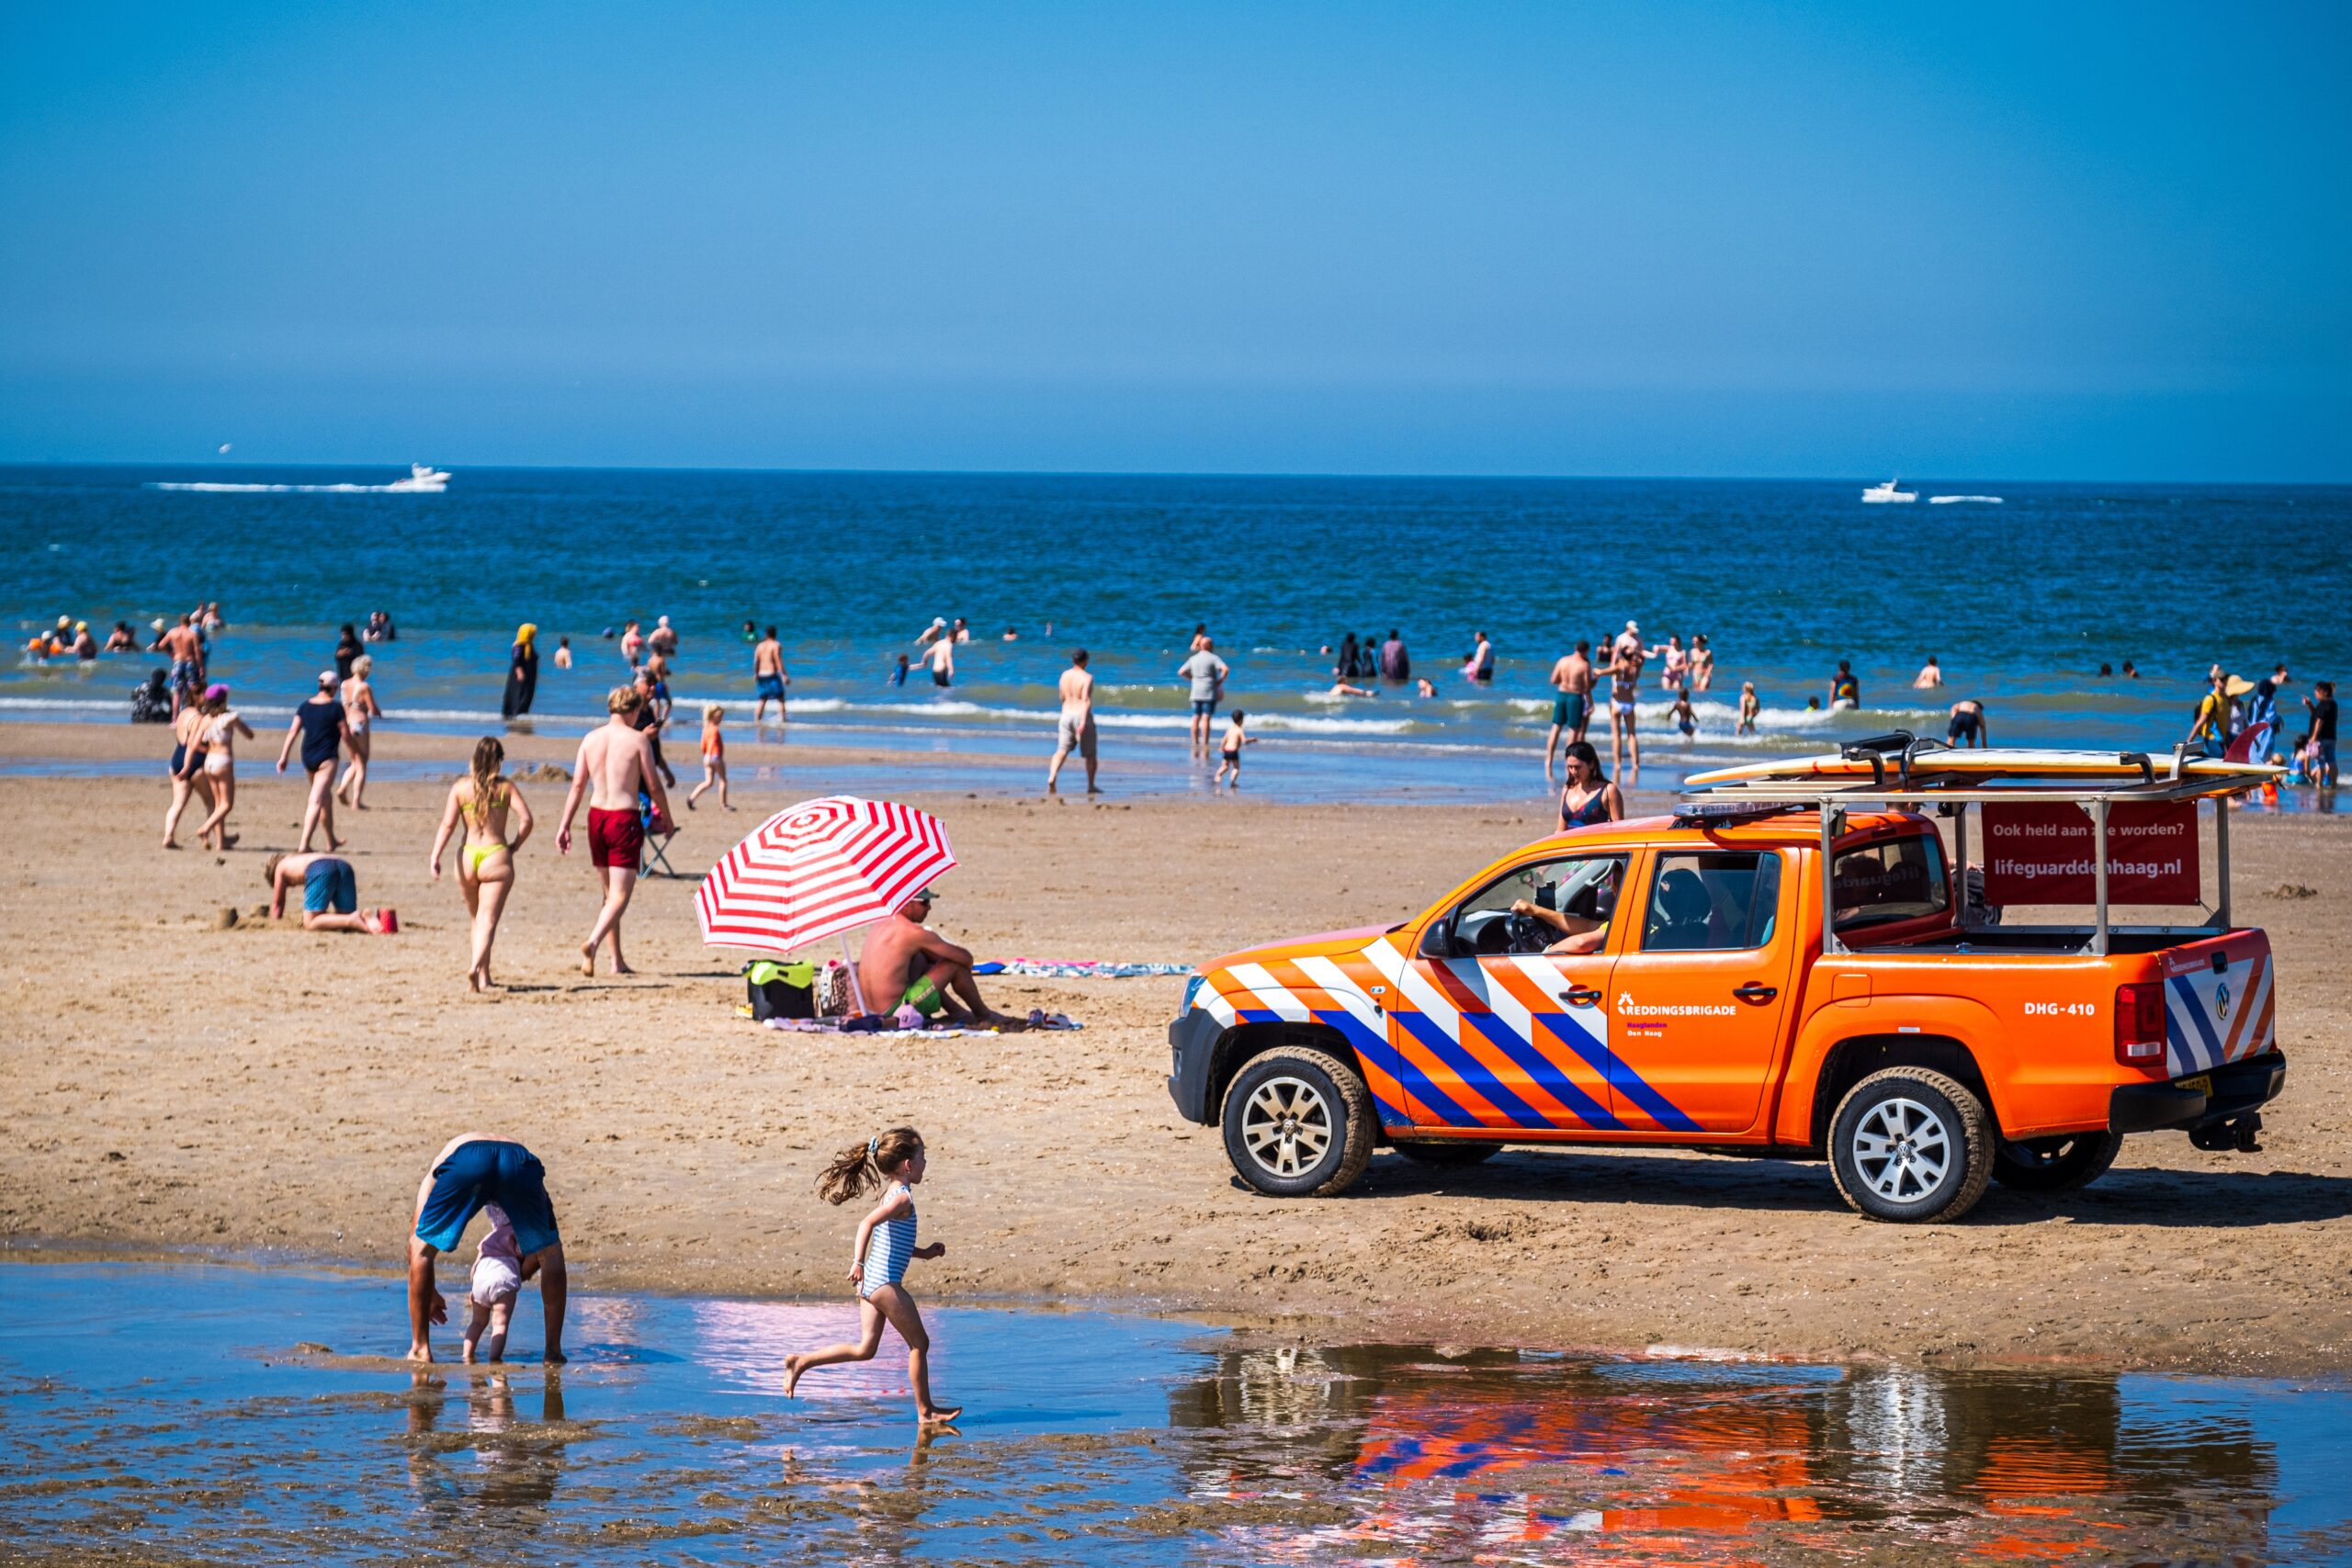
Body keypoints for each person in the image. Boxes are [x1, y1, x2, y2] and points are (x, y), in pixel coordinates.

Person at [782, 1128, 959, 1427]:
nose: (924, 1164)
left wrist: (925, 1253)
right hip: (883, 1283)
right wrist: (857, 1262)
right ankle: (925, 1412)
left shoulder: (890, 1193)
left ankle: (801, 1361)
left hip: (870, 1285)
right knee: (920, 1345)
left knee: (866, 1348)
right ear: (908, 1165)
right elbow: (866, 1223)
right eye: (922, 1158)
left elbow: (895, 1243)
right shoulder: (901, 1199)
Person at [406, 1134, 565, 1364]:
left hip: (468, 1158)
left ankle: (420, 1350)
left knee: (422, 1248)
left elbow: (416, 1240)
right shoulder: (513, 1148)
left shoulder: (442, 1160)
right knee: (551, 1253)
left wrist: (427, 1292)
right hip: (518, 1160)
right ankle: (553, 1352)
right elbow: (544, 1242)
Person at [557, 685, 672, 976]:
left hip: (597, 817)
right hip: (623, 818)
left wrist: (565, 825)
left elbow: (577, 786)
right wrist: (667, 818)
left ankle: (616, 961)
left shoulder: (591, 739)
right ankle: (592, 943)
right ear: (633, 712)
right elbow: (654, 785)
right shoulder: (637, 740)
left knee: (609, 894)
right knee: (620, 896)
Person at [430, 737, 536, 990]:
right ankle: (476, 967)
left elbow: (447, 825)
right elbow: (527, 820)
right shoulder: (506, 788)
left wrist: (435, 855)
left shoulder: (460, 788)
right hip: (495, 854)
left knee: (476, 919)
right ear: (499, 761)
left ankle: (483, 978)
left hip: (467, 856)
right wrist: (515, 846)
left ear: (474, 759)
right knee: (488, 919)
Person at [857, 888, 1020, 1027]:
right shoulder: (913, 933)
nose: (929, 908)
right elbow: (965, 959)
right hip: (896, 1011)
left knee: (920, 959)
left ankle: (958, 1012)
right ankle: (983, 1014)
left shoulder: (880, 923)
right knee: (953, 965)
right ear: (906, 904)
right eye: (924, 903)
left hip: (870, 1010)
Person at [277, 673, 351, 852]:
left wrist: (284, 756)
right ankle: (304, 844)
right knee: (317, 800)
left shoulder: (305, 706)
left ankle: (331, 840)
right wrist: (356, 753)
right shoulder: (335, 708)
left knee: (325, 798)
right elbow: (345, 733)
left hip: (308, 756)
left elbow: (293, 731)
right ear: (333, 689)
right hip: (327, 758)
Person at [187, 686, 254, 850]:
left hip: (209, 760)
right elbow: (250, 735)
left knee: (218, 805)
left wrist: (208, 750)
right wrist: (238, 723)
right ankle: (205, 829)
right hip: (223, 761)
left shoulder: (204, 720)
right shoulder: (229, 717)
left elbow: (193, 744)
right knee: (226, 805)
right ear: (223, 700)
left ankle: (220, 843)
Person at [264, 851, 394, 933]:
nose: (292, 886)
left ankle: (351, 919)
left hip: (320, 868)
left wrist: (274, 923)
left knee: (310, 922)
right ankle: (367, 920)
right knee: (342, 918)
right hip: (343, 865)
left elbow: (278, 904)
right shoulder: (300, 858)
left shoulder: (280, 868)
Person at [461, 1205, 522, 1363]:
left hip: (480, 1281)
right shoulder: (517, 1231)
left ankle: (467, 1356)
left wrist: (473, 1288)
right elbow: (521, 1251)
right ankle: (494, 1359)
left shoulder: (488, 1239)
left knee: (477, 1322)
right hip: (502, 1280)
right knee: (500, 1323)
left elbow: (474, 1268)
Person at [162, 694, 220, 849]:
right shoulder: (199, 717)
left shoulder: (183, 713)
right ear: (196, 697)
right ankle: (211, 838)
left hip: (177, 759)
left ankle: (168, 836)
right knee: (211, 803)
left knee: (177, 804)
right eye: (204, 695)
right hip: (194, 761)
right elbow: (192, 743)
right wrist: (211, 749)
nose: (207, 698)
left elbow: (184, 739)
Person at [1046, 649, 1099, 795]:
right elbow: (1086, 700)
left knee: (1062, 749)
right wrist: (1083, 721)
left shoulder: (1064, 675)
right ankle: (1091, 785)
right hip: (1080, 716)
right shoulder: (1087, 677)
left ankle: (1052, 777)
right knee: (1090, 754)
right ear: (1086, 661)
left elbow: (1062, 697)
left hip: (1065, 715)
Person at [336, 655, 384, 809]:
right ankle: (356, 801)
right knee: (362, 763)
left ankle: (343, 788)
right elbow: (372, 709)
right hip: (360, 724)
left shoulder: (344, 684)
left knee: (355, 761)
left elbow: (344, 705)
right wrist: (379, 713)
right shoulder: (364, 687)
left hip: (347, 723)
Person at [1544, 640, 1596, 774]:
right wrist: (1591, 702)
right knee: (1573, 729)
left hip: (1561, 695)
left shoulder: (1563, 661)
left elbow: (1554, 680)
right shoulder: (1584, 665)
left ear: (1575, 648)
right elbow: (1586, 687)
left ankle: (1548, 759)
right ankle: (1569, 761)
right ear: (1586, 651)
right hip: (1575, 696)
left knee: (1556, 727)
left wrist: (1566, 680)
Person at [1555, 740, 1623, 831]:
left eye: (1578, 767)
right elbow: (1560, 831)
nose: (1573, 772)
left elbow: (1619, 831)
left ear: (1591, 764)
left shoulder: (1608, 791)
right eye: (1570, 767)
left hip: (1594, 845)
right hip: (1570, 845)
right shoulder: (1567, 789)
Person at [1179, 638, 1229, 753]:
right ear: (1210, 646)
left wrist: (1192, 678)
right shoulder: (1213, 658)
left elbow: (1181, 672)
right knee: (1206, 717)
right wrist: (1220, 681)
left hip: (1196, 691)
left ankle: (1195, 742)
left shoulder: (1193, 658)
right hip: (1209, 691)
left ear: (1201, 646)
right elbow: (1225, 669)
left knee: (1196, 716)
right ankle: (1205, 743)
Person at [632, 663, 676, 787]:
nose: (653, 688)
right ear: (636, 687)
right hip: (634, 776)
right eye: (648, 684)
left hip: (648, 773)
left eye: (654, 684)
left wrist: (666, 771)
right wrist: (643, 736)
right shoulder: (631, 713)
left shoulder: (650, 711)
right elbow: (621, 745)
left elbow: (653, 747)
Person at [1605, 638, 1645, 772]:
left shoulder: (1618, 668)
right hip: (1629, 703)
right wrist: (1636, 652)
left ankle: (1617, 764)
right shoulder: (1635, 668)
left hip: (1616, 703)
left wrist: (1597, 672)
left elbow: (1603, 672)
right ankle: (1635, 764)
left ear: (1622, 656)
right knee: (1632, 735)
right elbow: (1641, 658)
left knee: (1616, 735)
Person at [153, 614, 204, 716]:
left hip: (178, 662)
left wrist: (171, 655)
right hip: (190, 663)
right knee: (194, 691)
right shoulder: (192, 634)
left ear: (179, 622)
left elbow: (161, 645)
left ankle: (175, 720)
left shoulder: (172, 632)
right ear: (189, 623)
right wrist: (201, 666)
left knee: (177, 692)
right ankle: (194, 716)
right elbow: (197, 651)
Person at [687, 705, 731, 810]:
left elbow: (703, 744)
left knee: (708, 782)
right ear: (713, 716)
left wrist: (705, 755)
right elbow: (711, 743)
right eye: (720, 717)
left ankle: (691, 798)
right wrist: (710, 754)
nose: (721, 719)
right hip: (715, 757)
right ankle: (723, 804)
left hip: (707, 757)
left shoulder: (705, 729)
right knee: (723, 780)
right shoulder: (715, 730)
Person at [501, 625, 540, 719]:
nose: (534, 635)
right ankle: (515, 715)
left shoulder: (529, 645)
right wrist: (519, 672)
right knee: (518, 694)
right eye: (532, 633)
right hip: (520, 676)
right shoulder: (519, 645)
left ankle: (521, 715)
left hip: (529, 676)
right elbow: (516, 660)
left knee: (526, 696)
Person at [2188, 672, 2233, 750]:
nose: (2224, 682)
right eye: (2222, 680)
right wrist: (2188, 742)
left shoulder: (2226, 699)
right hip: (2212, 740)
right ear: (2214, 681)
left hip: (2223, 740)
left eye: (2226, 679)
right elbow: (2200, 722)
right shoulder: (2210, 699)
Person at [752, 626, 788, 722]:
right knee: (780, 698)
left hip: (761, 675)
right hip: (772, 675)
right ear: (775, 634)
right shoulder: (776, 645)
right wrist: (784, 675)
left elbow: (756, 661)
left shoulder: (759, 645)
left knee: (762, 699)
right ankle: (783, 720)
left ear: (766, 634)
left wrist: (756, 673)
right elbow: (778, 659)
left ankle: (757, 721)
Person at [2306, 680, 2338, 786]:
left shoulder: (2323, 704)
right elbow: (2316, 714)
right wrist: (2310, 704)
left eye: (2317, 691)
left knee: (2320, 763)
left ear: (2324, 692)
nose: (2315, 693)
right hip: (2331, 738)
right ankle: (2334, 784)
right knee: (2332, 762)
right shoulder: (2333, 704)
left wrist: (2314, 737)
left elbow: (2319, 721)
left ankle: (2319, 786)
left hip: (2321, 738)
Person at [1214, 710, 1256, 787]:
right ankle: (1232, 782)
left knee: (1225, 766)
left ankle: (1218, 775)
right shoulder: (1239, 730)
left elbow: (1224, 739)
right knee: (1236, 768)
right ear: (1241, 720)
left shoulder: (1230, 729)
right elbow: (1244, 741)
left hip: (1226, 750)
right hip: (1233, 751)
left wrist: (1221, 747)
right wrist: (1252, 740)